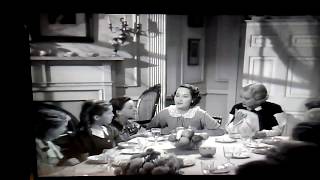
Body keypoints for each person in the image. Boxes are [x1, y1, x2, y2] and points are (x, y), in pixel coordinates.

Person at [147, 84, 224, 135]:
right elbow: (149, 130)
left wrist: (196, 132)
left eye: (185, 96)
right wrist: (168, 131)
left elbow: (220, 131)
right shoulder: (166, 112)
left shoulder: (199, 114)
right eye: (177, 95)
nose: (179, 99)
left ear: (192, 99)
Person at [34, 107, 80, 176]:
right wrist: (63, 167)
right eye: (64, 126)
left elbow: (55, 164)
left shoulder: (48, 142)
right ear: (50, 128)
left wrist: (65, 164)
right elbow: (41, 172)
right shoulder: (37, 146)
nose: (65, 130)